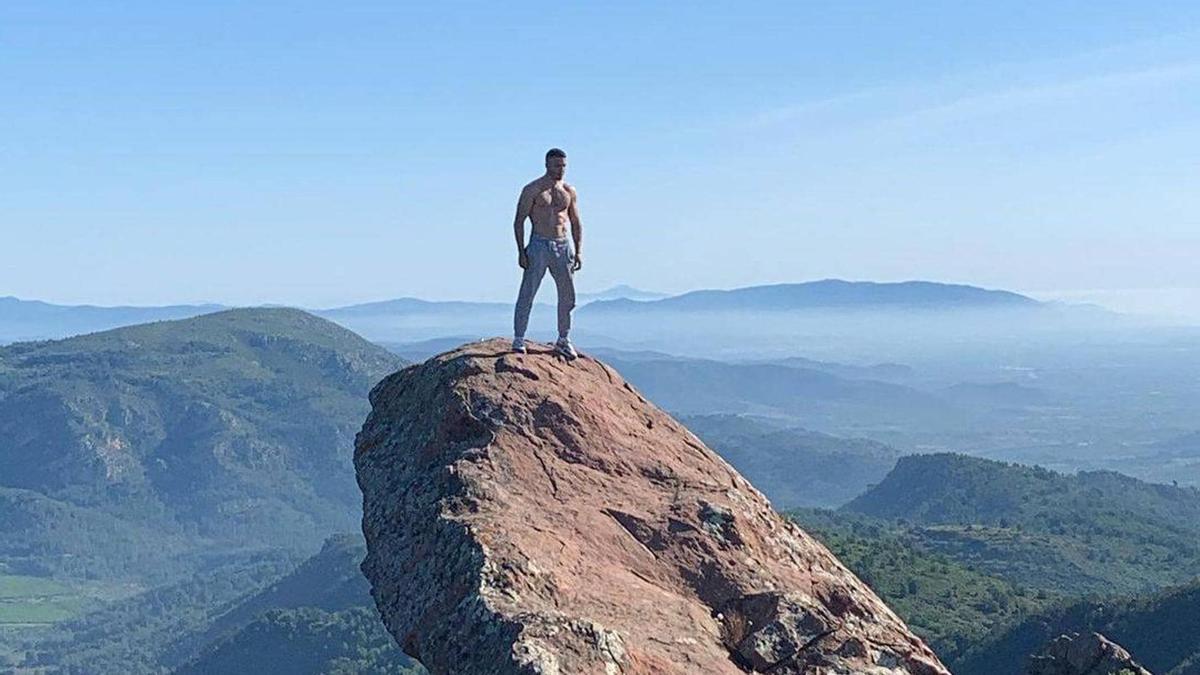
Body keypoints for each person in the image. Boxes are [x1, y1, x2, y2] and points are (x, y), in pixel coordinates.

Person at [511, 147, 583, 358]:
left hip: (563, 244)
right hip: (539, 244)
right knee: (528, 292)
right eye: (556, 165)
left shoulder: (569, 191)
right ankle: (519, 338)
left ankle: (563, 338)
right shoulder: (533, 189)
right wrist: (521, 251)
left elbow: (576, 221)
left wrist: (579, 251)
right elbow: (519, 221)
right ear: (546, 165)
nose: (560, 170)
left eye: (563, 166)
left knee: (567, 295)